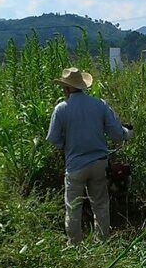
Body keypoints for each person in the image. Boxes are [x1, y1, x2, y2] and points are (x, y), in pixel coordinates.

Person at [47, 67, 133, 245]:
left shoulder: (61, 109)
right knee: (100, 205)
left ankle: (75, 247)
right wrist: (127, 133)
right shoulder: (99, 104)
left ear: (67, 88)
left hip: (75, 166)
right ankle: (101, 244)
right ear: (82, 86)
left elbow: (54, 140)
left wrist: (67, 146)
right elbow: (117, 134)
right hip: (99, 164)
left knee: (73, 208)